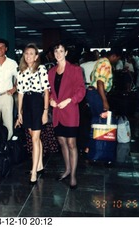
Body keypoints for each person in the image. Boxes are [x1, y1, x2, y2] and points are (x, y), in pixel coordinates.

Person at [48, 41, 86, 189]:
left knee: (71, 144)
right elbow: (50, 91)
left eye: (61, 51)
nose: (58, 54)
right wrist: (51, 99)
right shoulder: (51, 72)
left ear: (66, 53)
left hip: (70, 111)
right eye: (56, 51)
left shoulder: (75, 70)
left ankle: (73, 175)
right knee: (62, 142)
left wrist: (70, 100)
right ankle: (67, 169)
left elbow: (81, 90)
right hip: (57, 112)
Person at [15, 43, 50, 185]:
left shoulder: (41, 69)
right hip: (27, 103)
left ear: (36, 57)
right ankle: (40, 165)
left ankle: (34, 171)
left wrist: (45, 111)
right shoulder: (20, 71)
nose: (28, 56)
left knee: (35, 138)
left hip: (37, 102)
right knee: (33, 135)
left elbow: (46, 91)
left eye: (31, 54)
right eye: (26, 53)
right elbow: (20, 93)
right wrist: (19, 113)